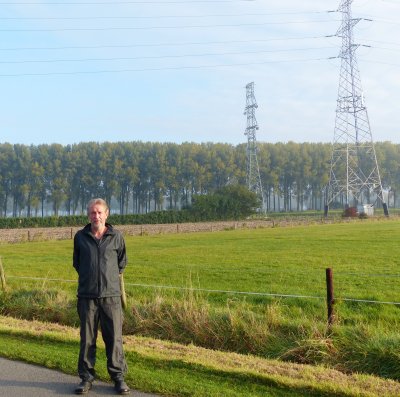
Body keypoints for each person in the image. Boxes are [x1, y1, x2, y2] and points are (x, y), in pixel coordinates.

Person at [73, 198, 130, 395]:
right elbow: (77, 264)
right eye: (92, 213)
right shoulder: (80, 237)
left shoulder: (116, 237)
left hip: (111, 297)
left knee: (114, 339)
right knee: (87, 339)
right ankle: (86, 379)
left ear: (106, 214)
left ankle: (118, 378)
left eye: (99, 212)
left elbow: (122, 262)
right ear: (88, 215)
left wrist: (109, 281)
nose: (95, 216)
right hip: (87, 298)